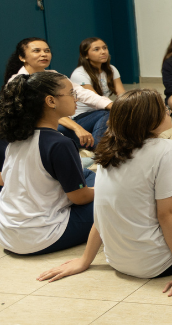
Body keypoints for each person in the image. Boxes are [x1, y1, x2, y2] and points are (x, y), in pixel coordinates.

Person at [36, 88, 172, 296]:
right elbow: (168, 215)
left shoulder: (107, 151)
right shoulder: (165, 148)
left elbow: (102, 212)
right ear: (147, 120)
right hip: (157, 262)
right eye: (162, 109)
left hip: (119, 261)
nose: (167, 110)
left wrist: (85, 260)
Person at [0, 72, 96, 255]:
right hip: (41, 236)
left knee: (88, 174)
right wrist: (110, 190)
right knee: (114, 198)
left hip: (7, 235)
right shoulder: (61, 144)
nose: (76, 98)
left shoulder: (16, 137)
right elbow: (79, 198)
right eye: (71, 93)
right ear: (51, 101)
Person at [4, 37, 113, 150]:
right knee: (59, 132)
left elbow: (81, 92)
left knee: (106, 112)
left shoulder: (53, 74)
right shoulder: (18, 81)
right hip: (45, 129)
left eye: (47, 51)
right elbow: (45, 115)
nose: (44, 54)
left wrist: (114, 106)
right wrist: (77, 128)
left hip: (69, 122)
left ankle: (97, 150)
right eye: (37, 51)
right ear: (22, 57)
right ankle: (98, 151)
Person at [68, 37, 124, 149]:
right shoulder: (79, 73)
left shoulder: (111, 69)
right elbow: (94, 99)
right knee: (109, 113)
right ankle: (99, 149)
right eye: (96, 49)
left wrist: (128, 105)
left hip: (101, 110)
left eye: (104, 48)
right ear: (85, 55)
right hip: (82, 116)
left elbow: (121, 93)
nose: (103, 52)